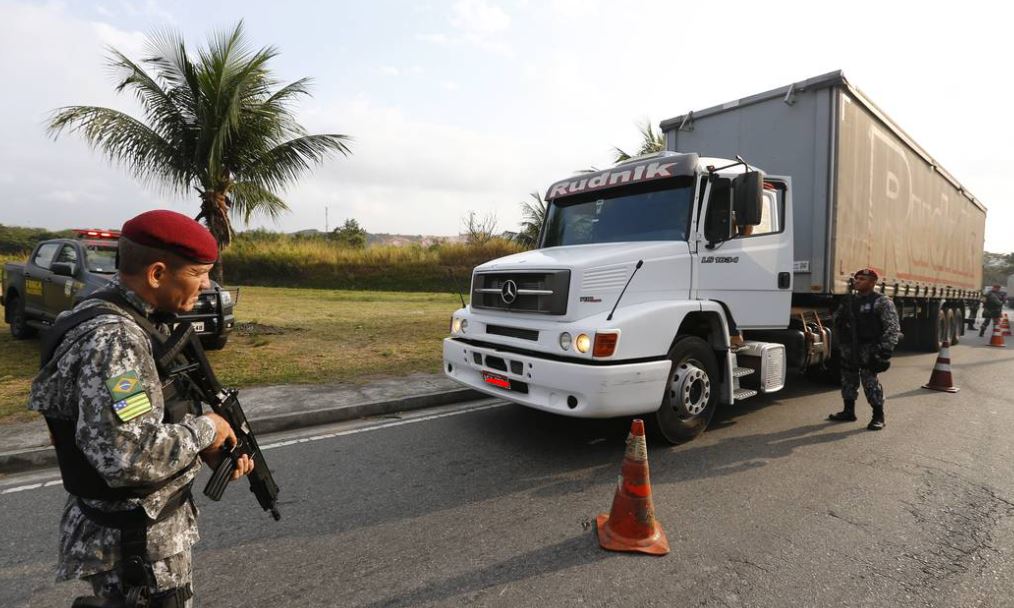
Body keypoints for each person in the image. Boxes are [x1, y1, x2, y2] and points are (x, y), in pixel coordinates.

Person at [27, 210, 254, 607]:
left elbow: (132, 420)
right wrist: (208, 429)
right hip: (138, 545)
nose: (206, 284)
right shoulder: (117, 340)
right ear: (157, 273)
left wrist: (199, 447)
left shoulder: (102, 311)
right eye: (198, 273)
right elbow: (128, 455)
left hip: (133, 533)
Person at [827, 268, 902, 431]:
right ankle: (848, 411)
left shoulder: (881, 301)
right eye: (857, 278)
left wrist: (886, 349)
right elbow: (836, 320)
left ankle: (878, 416)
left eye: (862, 279)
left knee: (869, 381)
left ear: (873, 282)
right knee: (848, 379)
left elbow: (892, 327)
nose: (858, 281)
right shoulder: (849, 301)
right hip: (849, 347)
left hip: (870, 348)